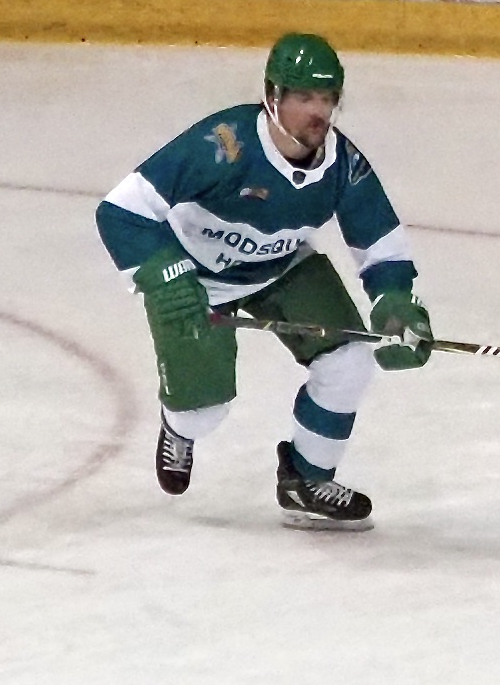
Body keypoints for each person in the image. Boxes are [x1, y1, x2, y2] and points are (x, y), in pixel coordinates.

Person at [95, 32, 434, 528]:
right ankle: (179, 427)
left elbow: (380, 242)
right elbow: (121, 211)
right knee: (203, 414)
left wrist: (395, 301)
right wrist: (163, 274)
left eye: (326, 98)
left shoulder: (343, 165)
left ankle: (306, 479)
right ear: (273, 96)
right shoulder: (222, 145)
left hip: (282, 269)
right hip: (194, 281)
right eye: (304, 97)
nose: (317, 112)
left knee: (350, 360)